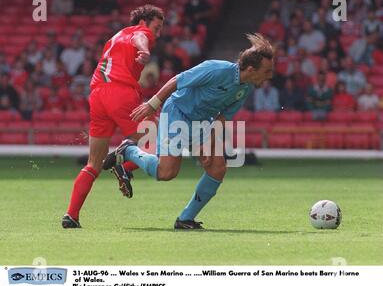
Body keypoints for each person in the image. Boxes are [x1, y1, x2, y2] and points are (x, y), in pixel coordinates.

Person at [103, 33, 274, 230]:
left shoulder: (245, 88)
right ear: (252, 69)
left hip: (202, 122)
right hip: (178, 113)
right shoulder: (216, 69)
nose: (270, 76)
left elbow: (222, 118)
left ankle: (185, 219)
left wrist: (208, 143)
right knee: (166, 173)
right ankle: (128, 151)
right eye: (267, 71)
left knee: (217, 168)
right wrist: (152, 104)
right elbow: (177, 80)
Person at [61, 5, 164, 229]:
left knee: (93, 164)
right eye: (157, 27)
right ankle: (124, 163)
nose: (158, 32)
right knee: (161, 140)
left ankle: (71, 215)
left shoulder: (117, 35)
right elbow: (141, 37)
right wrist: (145, 51)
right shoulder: (141, 33)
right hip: (121, 94)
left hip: (97, 95)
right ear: (144, 21)